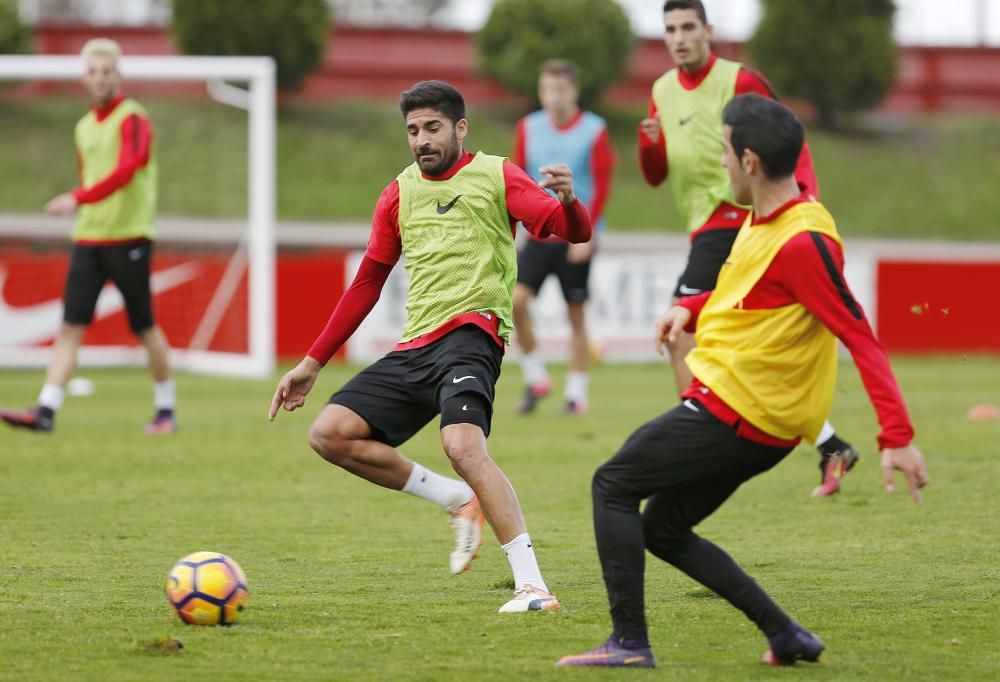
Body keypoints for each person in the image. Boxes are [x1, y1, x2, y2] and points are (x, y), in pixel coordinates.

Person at [557, 94, 929, 669]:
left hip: (739, 411)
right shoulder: (771, 216)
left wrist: (897, 437)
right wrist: (694, 308)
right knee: (665, 529)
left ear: (750, 161)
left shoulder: (804, 240)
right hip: (749, 414)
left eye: (725, 153)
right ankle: (785, 635)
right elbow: (752, 293)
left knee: (613, 483)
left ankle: (629, 643)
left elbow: (861, 337)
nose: (721, 166)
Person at [268, 81, 592, 613]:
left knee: (463, 446)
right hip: (416, 346)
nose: (421, 139)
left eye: (432, 128)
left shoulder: (495, 174)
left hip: (472, 336)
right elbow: (367, 282)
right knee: (329, 435)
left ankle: (533, 586)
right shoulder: (397, 194)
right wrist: (311, 362)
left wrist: (571, 201)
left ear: (460, 128)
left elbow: (567, 231)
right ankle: (456, 499)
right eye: (413, 130)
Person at [639, 0, 856, 496]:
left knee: (681, 329)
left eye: (687, 27)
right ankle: (830, 446)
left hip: (737, 219)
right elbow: (654, 176)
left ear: (707, 30)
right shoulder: (661, 91)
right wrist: (649, 144)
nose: (678, 37)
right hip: (703, 225)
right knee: (729, 340)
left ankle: (692, 449)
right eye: (670, 28)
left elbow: (789, 139)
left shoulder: (741, 80)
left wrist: (805, 200)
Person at [0, 38, 175, 435]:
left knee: (144, 326)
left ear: (118, 74)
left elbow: (128, 168)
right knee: (69, 327)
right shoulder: (82, 127)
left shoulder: (134, 118)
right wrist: (82, 203)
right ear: (84, 76)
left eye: (106, 71)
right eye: (93, 71)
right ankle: (46, 409)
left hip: (129, 238)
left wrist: (78, 197)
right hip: (89, 239)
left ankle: (166, 409)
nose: (99, 78)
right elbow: (90, 176)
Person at [511, 59, 615, 415]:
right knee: (515, 303)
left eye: (560, 89)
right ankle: (536, 375)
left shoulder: (594, 129)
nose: (553, 97)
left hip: (575, 236)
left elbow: (601, 187)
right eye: (547, 89)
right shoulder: (528, 126)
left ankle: (575, 393)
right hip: (539, 233)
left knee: (576, 314)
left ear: (574, 91)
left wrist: (589, 234)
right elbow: (520, 178)